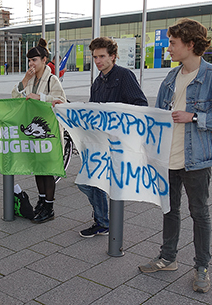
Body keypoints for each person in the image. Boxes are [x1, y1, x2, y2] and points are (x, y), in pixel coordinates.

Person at [138, 18, 212, 294]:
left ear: (190, 44)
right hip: (168, 158)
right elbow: (159, 116)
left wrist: (194, 116)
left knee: (200, 213)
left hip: (196, 159)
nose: (168, 49)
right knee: (169, 210)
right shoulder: (171, 77)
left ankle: (201, 266)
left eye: (173, 43)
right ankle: (168, 258)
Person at [72, 37, 148, 238]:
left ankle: (104, 222)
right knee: (86, 181)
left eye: (102, 56)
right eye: (95, 57)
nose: (98, 61)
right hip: (100, 142)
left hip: (119, 143)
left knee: (103, 183)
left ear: (113, 56)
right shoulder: (97, 82)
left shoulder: (124, 76)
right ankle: (103, 222)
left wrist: (117, 116)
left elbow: (140, 105)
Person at [11, 38, 67, 224]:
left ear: (44, 60)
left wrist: (40, 97)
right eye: (29, 60)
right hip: (33, 131)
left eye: (34, 60)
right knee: (38, 168)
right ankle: (41, 201)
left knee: (47, 170)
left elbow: (61, 101)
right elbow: (14, 96)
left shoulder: (52, 79)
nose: (31, 64)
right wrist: (25, 80)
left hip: (48, 131)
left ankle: (49, 207)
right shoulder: (31, 79)